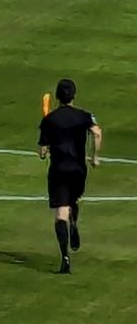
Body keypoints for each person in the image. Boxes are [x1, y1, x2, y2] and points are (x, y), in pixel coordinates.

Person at [38, 78, 103, 274]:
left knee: (60, 213)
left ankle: (65, 257)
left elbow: (41, 152)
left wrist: (45, 152)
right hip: (78, 171)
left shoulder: (49, 120)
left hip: (59, 171)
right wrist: (94, 156)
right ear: (74, 95)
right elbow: (97, 133)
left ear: (57, 97)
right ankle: (74, 221)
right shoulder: (84, 116)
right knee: (72, 201)